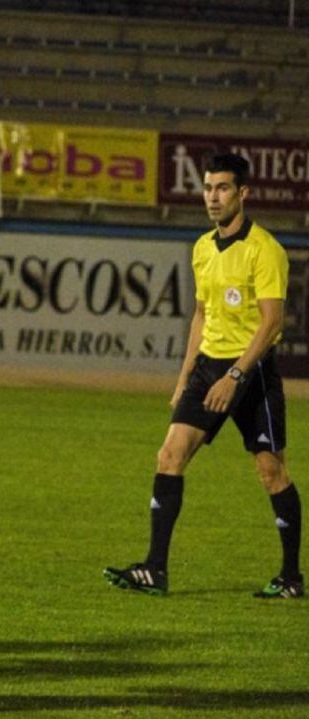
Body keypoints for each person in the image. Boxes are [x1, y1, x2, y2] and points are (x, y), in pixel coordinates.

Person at [105, 152, 301, 599]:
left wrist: (234, 376)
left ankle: (291, 576)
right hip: (209, 367)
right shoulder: (201, 247)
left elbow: (271, 322)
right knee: (169, 456)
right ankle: (155, 569)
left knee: (271, 472)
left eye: (223, 188)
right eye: (209, 188)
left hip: (251, 371)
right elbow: (200, 315)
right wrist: (185, 376)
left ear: (243, 193)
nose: (213, 197)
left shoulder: (265, 250)